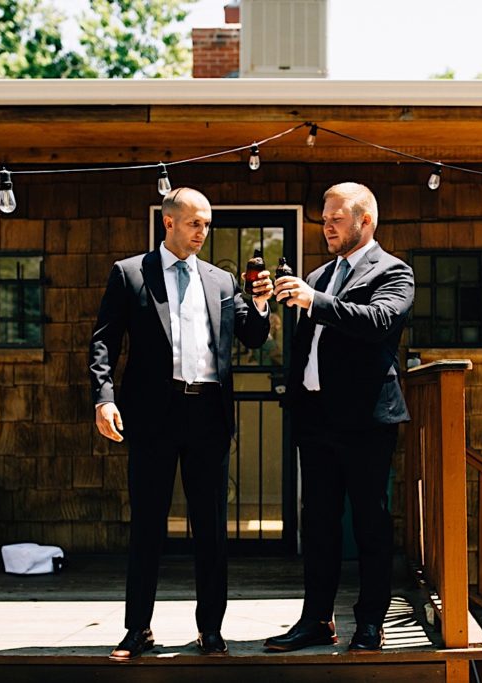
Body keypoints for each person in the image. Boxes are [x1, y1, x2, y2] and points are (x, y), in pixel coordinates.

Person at [88, 187, 272, 661]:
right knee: (147, 525)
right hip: (153, 414)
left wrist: (262, 302)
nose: (202, 232)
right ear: (168, 223)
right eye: (195, 223)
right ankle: (137, 630)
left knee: (210, 529)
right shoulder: (131, 274)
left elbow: (252, 336)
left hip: (208, 414)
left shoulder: (222, 279)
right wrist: (104, 399)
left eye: (207, 224)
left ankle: (210, 630)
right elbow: (104, 342)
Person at [265, 182, 415, 652]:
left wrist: (314, 301)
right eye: (324, 220)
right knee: (319, 524)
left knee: (370, 523)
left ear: (364, 221)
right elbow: (308, 346)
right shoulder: (320, 274)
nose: (326, 227)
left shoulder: (395, 271)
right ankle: (316, 619)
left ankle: (371, 622)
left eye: (335, 219)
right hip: (316, 417)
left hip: (367, 420)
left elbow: (378, 323)